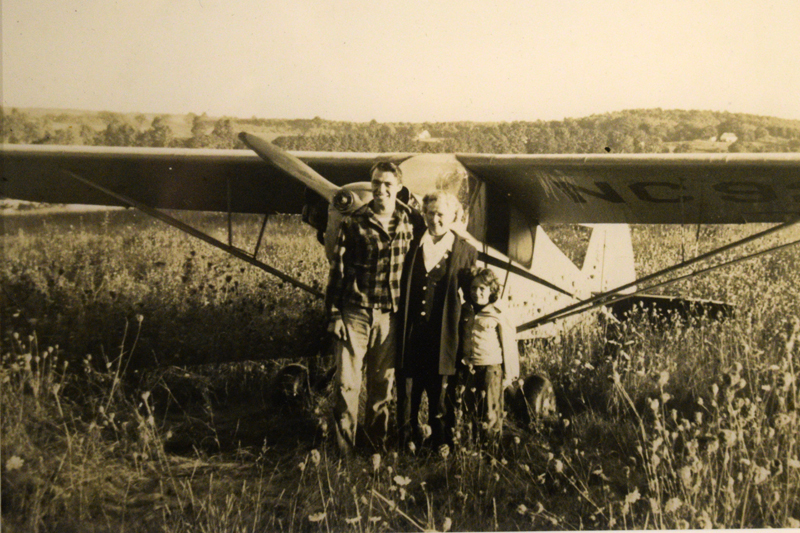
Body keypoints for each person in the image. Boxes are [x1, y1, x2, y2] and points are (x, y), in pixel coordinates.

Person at [326, 161, 423, 454]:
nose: (381, 190)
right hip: (355, 312)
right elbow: (338, 271)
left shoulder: (412, 222)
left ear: (398, 188)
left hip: (390, 316)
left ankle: (375, 448)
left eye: (387, 184)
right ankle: (343, 451)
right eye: (376, 183)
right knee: (346, 385)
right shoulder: (353, 222)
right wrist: (333, 314)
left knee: (382, 385)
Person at [396, 191, 477, 452]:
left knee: (439, 393)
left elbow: (471, 302)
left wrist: (466, 343)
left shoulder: (465, 251)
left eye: (441, 213)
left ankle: (439, 444)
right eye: (430, 213)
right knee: (408, 390)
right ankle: (406, 440)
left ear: (454, 215)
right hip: (412, 333)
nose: (435, 219)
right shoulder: (411, 244)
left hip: (443, 335)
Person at [458, 267, 520, 445]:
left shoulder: (499, 312)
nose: (477, 293)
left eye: (482, 289)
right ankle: (471, 450)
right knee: (469, 409)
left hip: (490, 369)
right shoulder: (466, 310)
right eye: (473, 288)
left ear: (491, 290)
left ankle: (491, 452)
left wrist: (510, 375)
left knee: (490, 413)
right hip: (470, 368)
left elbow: (509, 344)